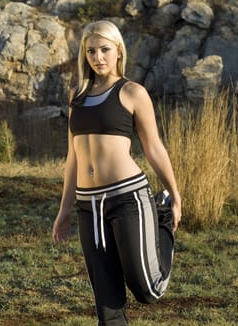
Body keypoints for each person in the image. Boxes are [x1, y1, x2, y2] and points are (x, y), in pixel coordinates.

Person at [52, 20, 182, 325]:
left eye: (105, 50)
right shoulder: (77, 96)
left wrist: (175, 196)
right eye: (91, 51)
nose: (98, 57)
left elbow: (154, 148)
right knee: (107, 303)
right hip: (88, 205)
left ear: (119, 51)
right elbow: (73, 156)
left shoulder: (132, 92)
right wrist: (64, 209)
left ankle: (160, 219)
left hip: (127, 197)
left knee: (147, 288)